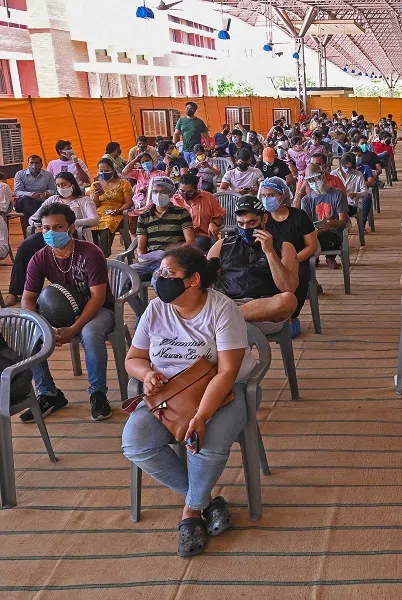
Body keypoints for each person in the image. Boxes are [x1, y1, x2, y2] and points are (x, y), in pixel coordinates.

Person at [122, 245, 256, 557]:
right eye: (159, 273)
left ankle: (190, 513)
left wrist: (201, 415)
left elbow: (226, 373)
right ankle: (204, 501)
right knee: (135, 443)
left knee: (205, 446)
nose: (159, 279)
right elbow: (134, 358)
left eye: (169, 273)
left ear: (193, 280)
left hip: (222, 393)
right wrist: (145, 375)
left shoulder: (222, 310)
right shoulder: (156, 309)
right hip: (168, 396)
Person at [20, 203, 116, 422]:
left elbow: (98, 297)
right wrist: (43, 327)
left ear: (71, 228)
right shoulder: (40, 257)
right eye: (46, 228)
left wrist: (73, 329)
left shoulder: (91, 253)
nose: (51, 233)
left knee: (90, 334)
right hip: (61, 311)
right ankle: (48, 394)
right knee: (30, 333)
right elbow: (28, 298)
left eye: (58, 227)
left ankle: (98, 393)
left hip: (99, 309)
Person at [5, 172, 99, 306]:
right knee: (25, 247)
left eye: (64, 184)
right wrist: (37, 223)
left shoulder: (83, 200)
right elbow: (34, 217)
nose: (61, 187)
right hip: (50, 233)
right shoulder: (52, 200)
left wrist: (73, 224)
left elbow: (94, 219)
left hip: (73, 234)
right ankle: (15, 291)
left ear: (72, 185)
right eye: (58, 185)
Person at [208, 197, 299, 335]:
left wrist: (269, 252)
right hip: (227, 302)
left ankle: (224, 319)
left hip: (264, 311)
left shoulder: (284, 247)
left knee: (288, 300)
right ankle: (226, 318)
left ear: (264, 220)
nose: (246, 228)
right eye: (241, 224)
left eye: (252, 223)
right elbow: (205, 281)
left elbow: (288, 287)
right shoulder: (222, 245)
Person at [259, 177, 318, 337]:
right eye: (263, 195)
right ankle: (270, 314)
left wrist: (293, 260)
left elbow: (312, 246)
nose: (266, 199)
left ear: (282, 196)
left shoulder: (299, 216)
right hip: (271, 260)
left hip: (298, 259)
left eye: (271, 195)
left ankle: (291, 316)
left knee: (299, 276)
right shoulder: (263, 219)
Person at [132, 176, 195, 282]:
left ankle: (161, 299)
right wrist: (142, 258)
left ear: (170, 194)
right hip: (150, 261)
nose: (158, 195)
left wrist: (170, 254)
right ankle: (136, 300)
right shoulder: (144, 217)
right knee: (124, 274)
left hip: (172, 260)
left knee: (158, 278)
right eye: (155, 191)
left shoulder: (181, 213)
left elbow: (190, 241)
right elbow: (141, 247)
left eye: (163, 191)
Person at [299, 164, 348, 269]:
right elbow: (306, 224)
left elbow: (343, 221)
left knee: (323, 238)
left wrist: (332, 223)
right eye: (310, 180)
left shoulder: (337, 194)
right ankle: (312, 260)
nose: (314, 182)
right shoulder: (306, 200)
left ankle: (328, 257)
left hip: (333, 233)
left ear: (323, 176)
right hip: (314, 234)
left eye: (317, 178)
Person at [89, 157, 133, 256]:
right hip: (99, 212)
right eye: (101, 171)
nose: (104, 173)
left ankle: (103, 254)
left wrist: (119, 210)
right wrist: (96, 195)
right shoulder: (96, 185)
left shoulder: (123, 183)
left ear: (113, 170)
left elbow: (128, 203)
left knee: (107, 223)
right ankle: (93, 254)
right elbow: (94, 206)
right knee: (91, 224)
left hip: (117, 213)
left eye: (107, 170)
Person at [171, 174, 224, 252]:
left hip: (201, 235)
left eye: (190, 192)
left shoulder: (208, 197)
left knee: (192, 247)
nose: (185, 194)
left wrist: (214, 223)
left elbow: (219, 217)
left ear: (196, 189)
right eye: (182, 191)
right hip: (179, 236)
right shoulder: (173, 200)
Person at [13, 155, 56, 236]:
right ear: (28, 164)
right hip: (22, 201)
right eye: (31, 163)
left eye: (36, 163)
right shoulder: (20, 174)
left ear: (41, 165)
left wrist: (47, 193)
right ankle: (39, 220)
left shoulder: (48, 175)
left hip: (41, 202)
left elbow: (53, 190)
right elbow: (17, 191)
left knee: (27, 210)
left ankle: (29, 236)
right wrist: (30, 194)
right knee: (27, 200)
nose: (34, 165)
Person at [332, 152, 373, 234]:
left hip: (350, 205)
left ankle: (360, 226)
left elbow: (364, 191)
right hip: (336, 205)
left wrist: (356, 194)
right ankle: (338, 234)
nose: (347, 169)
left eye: (349, 167)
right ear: (341, 164)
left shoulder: (358, 175)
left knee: (367, 198)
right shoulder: (334, 174)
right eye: (345, 167)